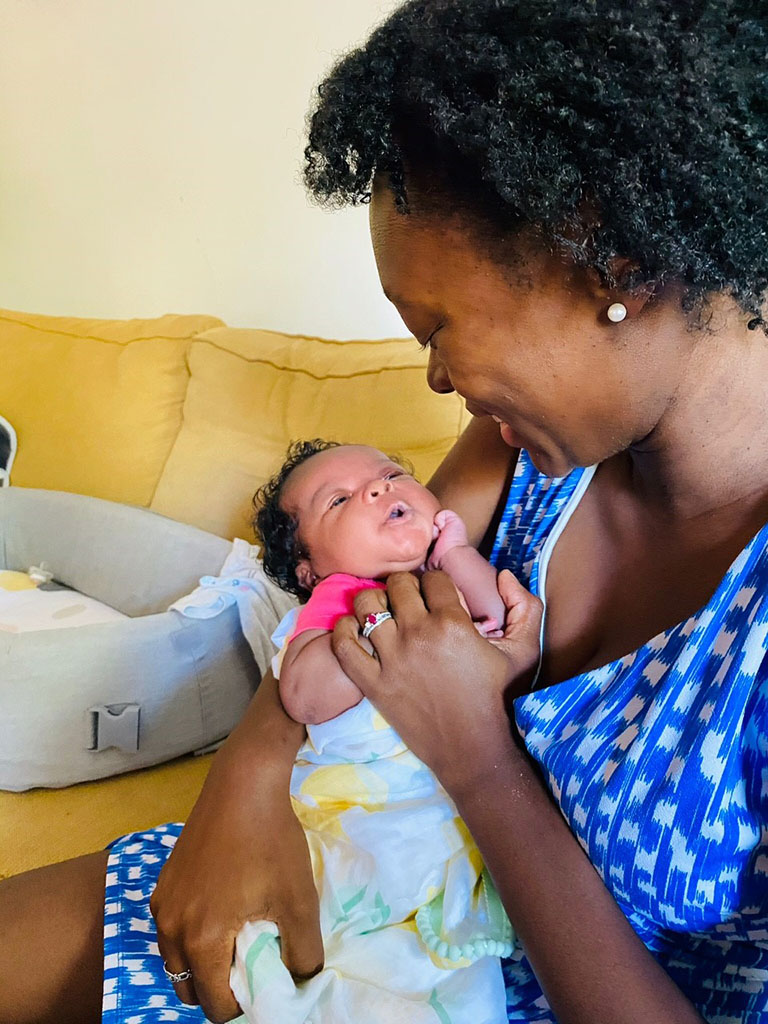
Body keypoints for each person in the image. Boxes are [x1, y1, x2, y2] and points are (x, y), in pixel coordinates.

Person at [1, 1, 766, 1022]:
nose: (440, 379)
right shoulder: (531, 449)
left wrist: (480, 759)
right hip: (351, 876)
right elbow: (354, 613)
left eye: (440, 328)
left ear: (612, 262)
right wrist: (248, 782)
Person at [229, 438, 515, 1023]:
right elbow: (305, 694)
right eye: (339, 500)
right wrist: (375, 629)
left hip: (449, 826)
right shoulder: (340, 597)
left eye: (389, 475)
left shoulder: (446, 572)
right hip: (356, 822)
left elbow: (495, 616)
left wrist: (455, 551)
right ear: (310, 570)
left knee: (455, 989)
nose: (379, 488)